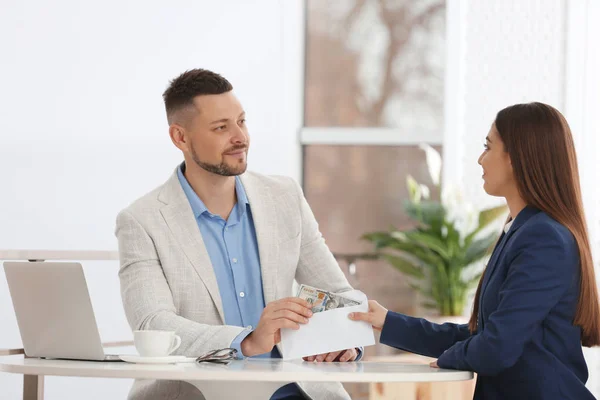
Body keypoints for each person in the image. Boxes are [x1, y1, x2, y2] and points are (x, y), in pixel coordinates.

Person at [115, 68, 359, 400]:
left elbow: (338, 295)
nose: (240, 137)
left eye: (241, 121)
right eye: (221, 127)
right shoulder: (142, 220)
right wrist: (246, 340)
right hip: (197, 392)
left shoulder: (284, 198)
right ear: (180, 138)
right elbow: (154, 324)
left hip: (294, 390)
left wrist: (345, 339)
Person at [350, 102, 600, 399]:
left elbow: (496, 348)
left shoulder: (543, 238)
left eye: (488, 147)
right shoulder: (521, 231)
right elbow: (482, 337)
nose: (481, 160)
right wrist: (388, 321)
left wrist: (445, 361)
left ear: (516, 157)